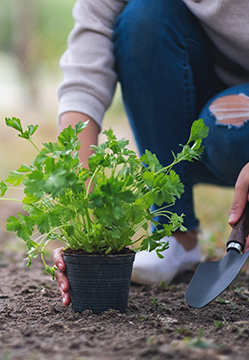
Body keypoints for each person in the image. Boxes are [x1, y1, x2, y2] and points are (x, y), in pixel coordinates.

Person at [53, 0, 249, 307]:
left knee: (231, 127)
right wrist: (81, 218)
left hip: (235, 123)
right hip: (194, 92)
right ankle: (176, 234)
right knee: (145, 17)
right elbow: (85, 69)